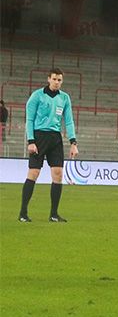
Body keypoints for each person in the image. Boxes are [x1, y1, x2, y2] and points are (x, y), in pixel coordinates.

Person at [19, 68, 78, 223]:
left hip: (55, 138)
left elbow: (69, 121)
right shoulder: (37, 96)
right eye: (54, 79)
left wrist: (73, 142)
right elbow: (29, 120)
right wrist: (31, 141)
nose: (57, 82)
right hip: (39, 137)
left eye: (60, 80)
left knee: (58, 174)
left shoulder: (64, 98)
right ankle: (23, 213)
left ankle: (54, 214)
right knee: (34, 173)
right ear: (48, 79)